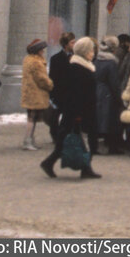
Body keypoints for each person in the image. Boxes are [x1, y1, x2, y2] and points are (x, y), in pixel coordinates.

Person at [40, 36, 102, 179]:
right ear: (85, 51)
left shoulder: (83, 66)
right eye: (91, 50)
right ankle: (83, 167)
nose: (93, 53)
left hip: (81, 110)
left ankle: (82, 167)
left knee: (70, 140)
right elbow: (75, 93)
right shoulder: (78, 68)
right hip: (79, 111)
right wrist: (78, 114)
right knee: (82, 139)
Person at [20, 38, 53, 150]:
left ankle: (30, 139)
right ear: (37, 50)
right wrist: (50, 85)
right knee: (32, 117)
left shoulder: (28, 60)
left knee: (31, 117)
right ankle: (28, 140)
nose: (43, 52)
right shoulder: (36, 62)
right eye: (42, 50)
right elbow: (42, 79)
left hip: (29, 93)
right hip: (36, 94)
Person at [95, 36, 124, 155]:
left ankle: (96, 145)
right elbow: (114, 83)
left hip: (97, 91)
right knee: (111, 120)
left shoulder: (96, 60)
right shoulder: (111, 63)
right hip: (107, 94)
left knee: (98, 118)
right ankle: (112, 146)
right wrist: (119, 96)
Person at [47, 31, 75, 141]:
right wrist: (52, 93)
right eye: (72, 42)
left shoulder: (76, 57)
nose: (74, 45)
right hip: (60, 91)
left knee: (69, 116)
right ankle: (55, 135)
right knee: (55, 116)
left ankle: (66, 135)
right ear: (65, 44)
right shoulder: (56, 58)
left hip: (72, 91)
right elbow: (53, 76)